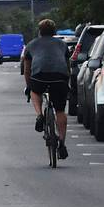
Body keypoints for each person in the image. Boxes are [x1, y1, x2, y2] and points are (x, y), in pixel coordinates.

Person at [23, 18, 71, 160]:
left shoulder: (31, 45)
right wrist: (66, 83)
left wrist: (28, 85)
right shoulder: (62, 45)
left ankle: (39, 115)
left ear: (39, 31)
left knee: (35, 91)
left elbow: (27, 70)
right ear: (54, 31)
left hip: (39, 76)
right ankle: (62, 142)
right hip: (59, 78)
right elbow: (67, 67)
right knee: (60, 110)